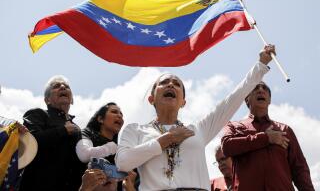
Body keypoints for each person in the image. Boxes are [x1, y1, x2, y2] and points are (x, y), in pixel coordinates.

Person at [116, 45, 275, 190]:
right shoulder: (135, 130)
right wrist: (167, 139)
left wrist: (261, 64)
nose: (171, 85)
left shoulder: (198, 129)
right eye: (164, 82)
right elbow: (123, 163)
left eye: (177, 84)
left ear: (183, 102)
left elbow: (232, 99)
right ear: (152, 99)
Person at [221, 81, 315, 190]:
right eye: (255, 88)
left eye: (265, 88)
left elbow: (300, 169)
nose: (261, 90)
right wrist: (266, 138)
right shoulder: (233, 126)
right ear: (247, 99)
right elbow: (227, 147)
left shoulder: (285, 130)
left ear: (269, 100)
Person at [20, 75, 82, 191]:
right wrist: (63, 131)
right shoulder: (37, 114)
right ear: (47, 100)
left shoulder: (78, 129)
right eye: (56, 86)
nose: (63, 87)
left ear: (72, 99)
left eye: (66, 86)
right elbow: (31, 141)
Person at [76, 102, 137, 191]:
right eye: (114, 112)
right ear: (100, 119)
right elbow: (84, 154)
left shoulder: (120, 151)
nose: (120, 116)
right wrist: (110, 147)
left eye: (121, 114)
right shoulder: (87, 134)